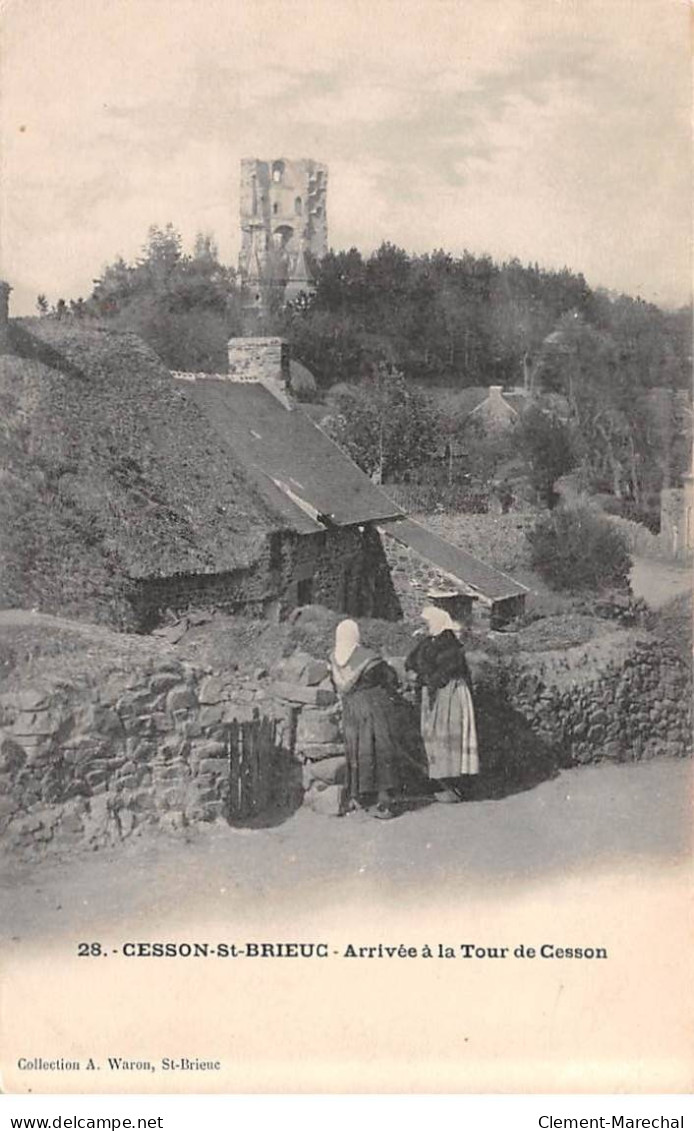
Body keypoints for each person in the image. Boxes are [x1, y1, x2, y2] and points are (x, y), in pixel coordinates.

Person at [330, 619, 410, 819]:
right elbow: (390, 678)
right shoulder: (368, 657)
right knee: (381, 749)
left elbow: (340, 686)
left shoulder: (333, 657)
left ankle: (359, 796)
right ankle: (384, 801)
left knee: (358, 751)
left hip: (351, 709)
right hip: (374, 707)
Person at [405, 606, 479, 803]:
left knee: (449, 737)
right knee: (435, 738)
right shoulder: (428, 642)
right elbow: (410, 661)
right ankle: (441, 782)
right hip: (434, 693)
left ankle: (455, 787)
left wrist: (421, 677)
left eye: (428, 622)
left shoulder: (450, 645)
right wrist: (411, 670)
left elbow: (443, 672)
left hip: (450, 694)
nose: (426, 626)